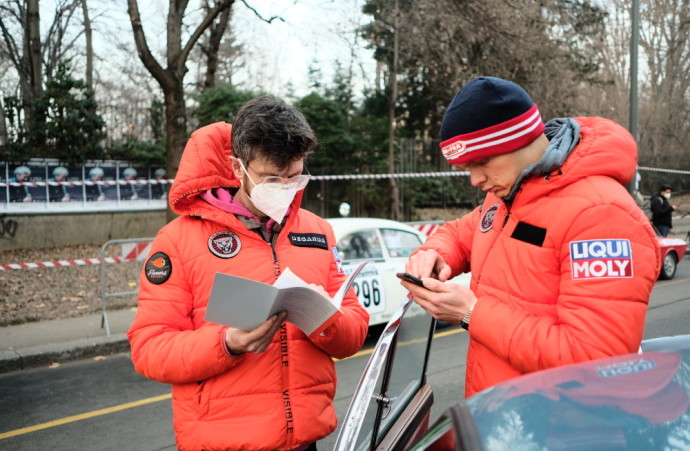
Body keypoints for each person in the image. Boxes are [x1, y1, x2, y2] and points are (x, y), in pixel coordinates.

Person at [127, 96, 370, 451]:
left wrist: (325, 319)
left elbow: (354, 332)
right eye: (272, 178)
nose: (286, 189)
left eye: (295, 177)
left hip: (305, 440)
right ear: (238, 169)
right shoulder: (178, 240)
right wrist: (227, 343)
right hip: (221, 443)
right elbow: (149, 348)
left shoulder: (318, 232)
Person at [401, 76, 660, 398]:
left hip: (561, 429)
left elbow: (598, 360)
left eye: (481, 163)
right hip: (504, 412)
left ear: (521, 141)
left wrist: (471, 313)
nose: (474, 179)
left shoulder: (602, 214)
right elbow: (461, 231)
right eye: (465, 167)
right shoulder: (508, 191)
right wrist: (435, 253)